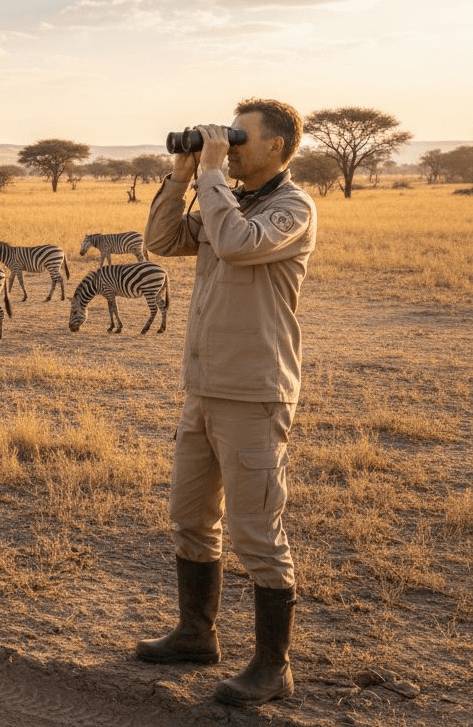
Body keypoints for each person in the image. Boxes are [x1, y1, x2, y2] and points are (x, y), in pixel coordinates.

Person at [138, 98, 317, 707]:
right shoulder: (225, 201)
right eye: (226, 137)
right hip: (204, 389)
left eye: (241, 138)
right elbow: (161, 240)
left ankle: (274, 668)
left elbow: (238, 245)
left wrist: (212, 175)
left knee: (256, 533)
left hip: (255, 394)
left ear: (277, 147)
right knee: (191, 518)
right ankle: (196, 634)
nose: (230, 146)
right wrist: (184, 177)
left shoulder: (293, 208)